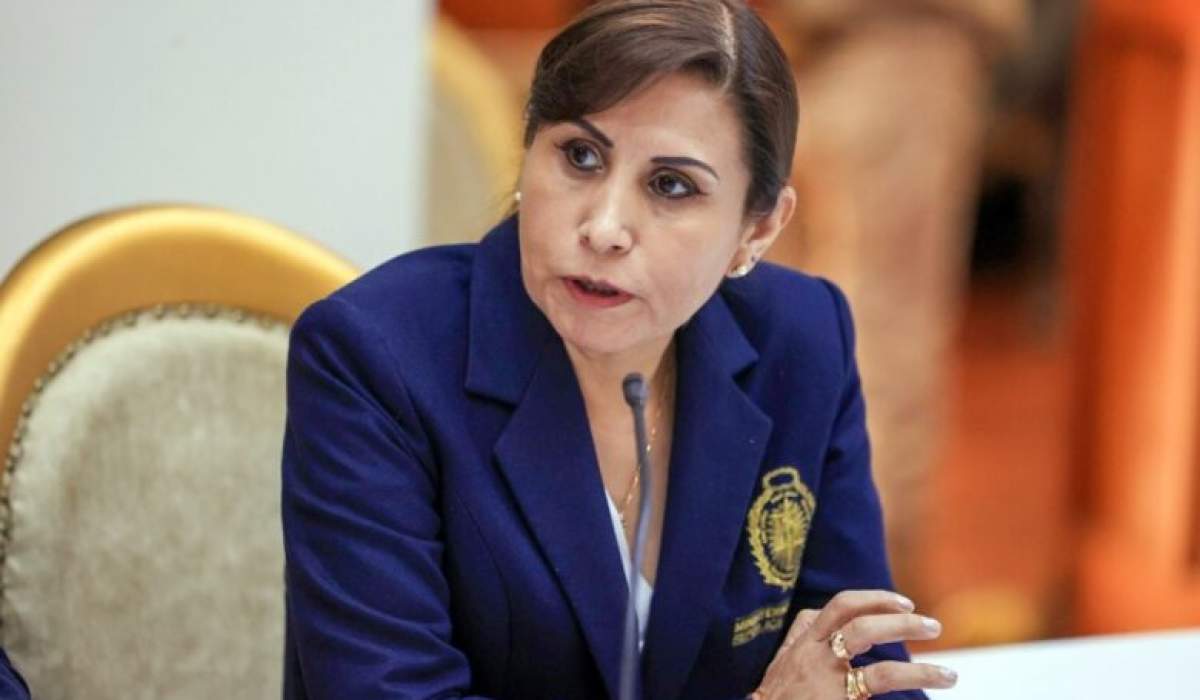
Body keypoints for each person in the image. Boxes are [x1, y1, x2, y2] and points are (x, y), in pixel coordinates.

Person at [281, 1, 958, 698]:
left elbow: (859, 667)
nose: (604, 228)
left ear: (758, 229)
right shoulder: (376, 358)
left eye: (671, 186)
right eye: (580, 156)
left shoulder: (801, 337)